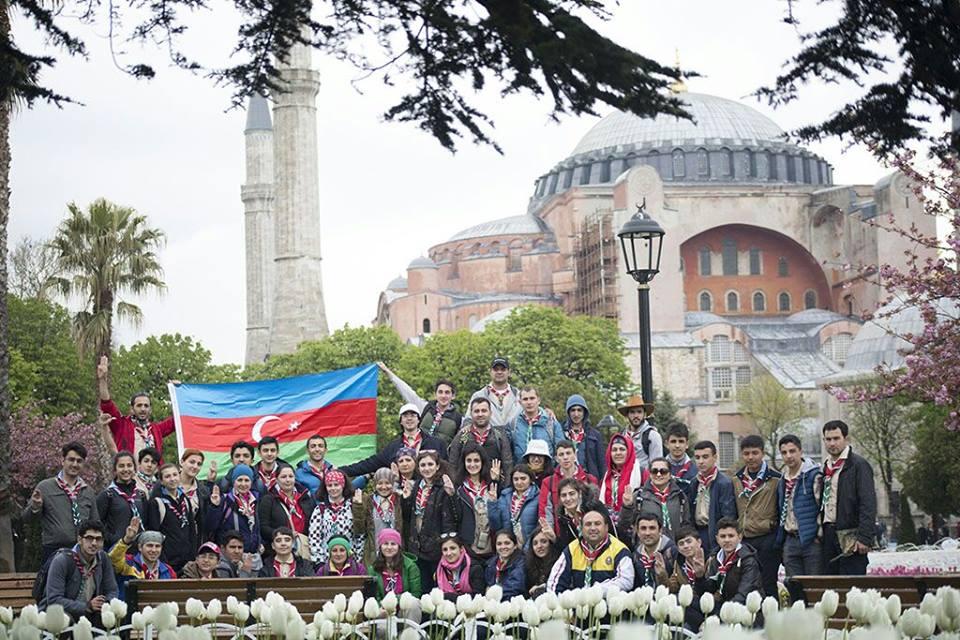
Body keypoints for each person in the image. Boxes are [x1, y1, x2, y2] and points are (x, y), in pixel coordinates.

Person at [25, 442, 99, 563]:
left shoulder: (88, 491)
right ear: (62, 461)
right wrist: (35, 507)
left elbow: (95, 522)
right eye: (71, 460)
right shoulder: (45, 487)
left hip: (82, 551)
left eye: (79, 461)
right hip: (54, 549)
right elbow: (27, 519)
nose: (75, 464)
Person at [820, 420, 877, 575]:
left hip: (851, 534)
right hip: (828, 533)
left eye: (836, 438)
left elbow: (868, 503)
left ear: (846, 439)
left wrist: (865, 537)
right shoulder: (825, 467)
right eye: (828, 439)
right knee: (830, 586)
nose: (832, 443)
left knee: (852, 586)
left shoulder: (858, 465)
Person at [341, 404, 447, 482]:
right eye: (405, 416)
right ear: (401, 421)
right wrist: (341, 471)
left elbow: (447, 469)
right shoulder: (393, 447)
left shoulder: (436, 443)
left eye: (413, 415)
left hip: (430, 495)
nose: (409, 418)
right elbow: (369, 464)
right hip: (402, 496)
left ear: (419, 420)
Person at [732, 434, 782, 600]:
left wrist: (776, 536)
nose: (750, 457)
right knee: (747, 582)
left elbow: (781, 508)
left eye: (755, 453)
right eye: (746, 453)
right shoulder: (736, 479)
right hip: (745, 538)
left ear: (763, 453)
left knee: (768, 582)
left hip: (767, 537)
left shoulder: (775, 479)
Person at [97, 355, 175, 458]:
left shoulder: (156, 429)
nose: (143, 409)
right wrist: (102, 380)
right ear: (132, 409)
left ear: (150, 410)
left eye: (146, 406)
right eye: (139, 405)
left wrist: (179, 392)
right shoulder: (122, 425)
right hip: (129, 472)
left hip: (153, 473)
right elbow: (107, 404)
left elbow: (177, 420)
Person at [39, 520, 118, 621]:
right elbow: (54, 600)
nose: (94, 543)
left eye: (98, 539)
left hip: (90, 614)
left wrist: (104, 603)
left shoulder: (103, 559)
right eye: (89, 538)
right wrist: (86, 606)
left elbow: (112, 590)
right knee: (66, 620)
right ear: (80, 539)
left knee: (113, 617)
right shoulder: (62, 560)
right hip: (62, 614)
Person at [547, 503, 635, 593]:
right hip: (578, 603)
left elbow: (626, 581)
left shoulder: (619, 550)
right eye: (588, 524)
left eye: (597, 524)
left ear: (606, 527)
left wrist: (594, 592)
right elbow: (554, 584)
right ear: (581, 528)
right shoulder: (571, 549)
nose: (593, 528)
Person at [401, 450, 456, 592]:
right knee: (422, 587)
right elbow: (408, 517)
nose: (427, 468)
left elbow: (450, 518)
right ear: (418, 468)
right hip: (417, 547)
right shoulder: (416, 486)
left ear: (437, 466)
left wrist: (451, 496)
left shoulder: (442, 487)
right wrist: (406, 500)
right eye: (423, 465)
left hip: (436, 547)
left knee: (438, 588)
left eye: (430, 464)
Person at [376, 363, 463, 447]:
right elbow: (407, 391)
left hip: (440, 458)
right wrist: (388, 372)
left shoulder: (458, 418)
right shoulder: (426, 407)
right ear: (435, 394)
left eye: (447, 393)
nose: (443, 396)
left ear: (453, 396)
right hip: (419, 454)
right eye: (440, 392)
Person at [776, 434, 823, 578]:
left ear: (800, 451)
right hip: (790, 539)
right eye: (784, 453)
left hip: (811, 540)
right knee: (794, 586)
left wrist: (819, 535)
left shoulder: (814, 476)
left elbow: (821, 507)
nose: (788, 456)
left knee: (813, 586)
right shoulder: (782, 479)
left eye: (792, 451)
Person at [206, 464, 263, 570]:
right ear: (233, 481)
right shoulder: (225, 500)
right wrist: (214, 506)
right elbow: (210, 526)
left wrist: (259, 543)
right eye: (239, 480)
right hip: (230, 557)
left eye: (247, 480)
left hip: (251, 557)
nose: (243, 484)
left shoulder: (255, 500)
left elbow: (257, 527)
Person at [146, 462, 200, 573]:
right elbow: (154, 533)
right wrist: (163, 561)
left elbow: (192, 532)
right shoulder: (157, 503)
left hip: (187, 561)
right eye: (167, 476)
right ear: (161, 481)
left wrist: (193, 556)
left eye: (175, 475)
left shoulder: (185, 499)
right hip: (167, 562)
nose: (172, 479)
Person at [621, 457, 691, 542]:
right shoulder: (639, 496)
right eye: (654, 471)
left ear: (669, 475)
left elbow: (687, 525)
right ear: (650, 474)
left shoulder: (680, 496)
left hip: (675, 548)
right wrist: (627, 506)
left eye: (663, 471)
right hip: (647, 548)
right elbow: (624, 525)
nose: (658, 475)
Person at [539, 440, 599, 535]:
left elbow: (597, 509)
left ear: (575, 455)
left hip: (588, 533)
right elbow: (545, 511)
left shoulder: (590, 480)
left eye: (568, 453)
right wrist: (550, 533)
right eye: (561, 454)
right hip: (561, 534)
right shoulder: (548, 482)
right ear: (556, 458)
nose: (565, 457)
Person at [698, 517, 763, 605]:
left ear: (739, 537)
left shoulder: (749, 560)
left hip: (747, 609)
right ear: (717, 539)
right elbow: (709, 590)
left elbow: (744, 594)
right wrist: (699, 577)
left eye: (731, 536)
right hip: (724, 604)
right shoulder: (715, 558)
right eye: (723, 536)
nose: (727, 540)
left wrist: (725, 610)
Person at [688, 440, 737, 556]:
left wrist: (723, 538)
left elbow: (728, 514)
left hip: (715, 532)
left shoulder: (724, 483)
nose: (701, 461)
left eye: (705, 457)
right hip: (698, 532)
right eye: (697, 457)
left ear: (714, 457)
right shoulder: (694, 482)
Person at [448, 397, 514, 482]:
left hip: (494, 487)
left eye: (484, 411)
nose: (480, 414)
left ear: (490, 413)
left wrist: (505, 491)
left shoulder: (499, 436)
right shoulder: (463, 435)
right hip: (466, 488)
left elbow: (508, 465)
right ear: (471, 414)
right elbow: (453, 463)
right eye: (476, 411)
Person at [452, 443, 499, 561]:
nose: (472, 464)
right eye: (469, 460)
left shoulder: (492, 485)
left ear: (482, 462)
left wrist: (496, 481)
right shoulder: (458, 488)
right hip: (468, 547)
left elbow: (499, 516)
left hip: (491, 546)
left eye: (476, 460)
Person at [107, 518, 176, 598]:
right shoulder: (128, 562)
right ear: (140, 547)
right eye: (149, 545)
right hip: (129, 609)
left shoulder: (168, 571)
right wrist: (127, 540)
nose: (154, 550)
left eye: (157, 546)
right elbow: (113, 558)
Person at [258, 464, 315, 559]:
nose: (288, 480)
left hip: (303, 548)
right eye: (283, 477)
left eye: (291, 476)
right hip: (278, 552)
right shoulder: (268, 499)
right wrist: (284, 535)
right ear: (276, 479)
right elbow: (263, 528)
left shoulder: (305, 497)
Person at [353, 467, 404, 566]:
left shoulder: (399, 500)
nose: (384, 487)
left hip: (395, 553)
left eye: (387, 483)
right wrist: (358, 507)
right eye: (380, 483)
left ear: (393, 484)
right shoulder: (368, 501)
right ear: (375, 484)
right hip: (374, 553)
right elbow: (359, 530)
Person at [97, 450, 145, 550]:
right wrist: (111, 538)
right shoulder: (107, 495)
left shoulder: (141, 495)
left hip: (139, 550)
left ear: (134, 469)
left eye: (129, 465)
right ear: (115, 470)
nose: (126, 469)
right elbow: (98, 523)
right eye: (121, 466)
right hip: (115, 548)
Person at [598, 434, 646, 533]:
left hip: (634, 527)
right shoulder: (607, 476)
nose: (618, 453)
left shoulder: (641, 473)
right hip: (610, 529)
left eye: (622, 449)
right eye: (614, 450)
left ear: (629, 452)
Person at [308, 469, 356, 566]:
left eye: (336, 485)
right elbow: (314, 537)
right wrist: (319, 561)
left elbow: (359, 535)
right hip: (326, 561)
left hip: (350, 561)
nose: (333, 488)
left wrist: (356, 559)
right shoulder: (320, 509)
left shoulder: (353, 507)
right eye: (330, 485)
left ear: (343, 486)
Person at [666, 525, 709, 631]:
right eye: (681, 544)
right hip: (689, 609)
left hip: (707, 604)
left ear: (699, 542)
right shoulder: (678, 563)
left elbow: (715, 591)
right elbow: (673, 588)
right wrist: (662, 575)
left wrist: (700, 575)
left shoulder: (711, 560)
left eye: (689, 541)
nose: (685, 546)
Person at [487, 463, 539, 548]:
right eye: (516, 479)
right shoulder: (505, 496)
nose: (519, 482)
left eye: (523, 478)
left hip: (530, 548)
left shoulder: (537, 497)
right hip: (509, 548)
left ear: (531, 479)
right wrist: (493, 503)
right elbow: (495, 525)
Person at [508, 386, 565, 462]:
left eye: (532, 398)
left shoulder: (551, 422)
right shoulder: (513, 423)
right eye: (525, 399)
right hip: (522, 471)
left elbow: (561, 449)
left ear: (538, 400)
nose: (529, 402)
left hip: (547, 471)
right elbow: (508, 452)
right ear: (520, 402)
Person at [369, 528, 422, 599]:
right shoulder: (373, 569)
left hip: (406, 605)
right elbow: (374, 596)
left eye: (393, 544)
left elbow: (415, 594)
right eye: (385, 544)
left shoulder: (410, 566)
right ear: (380, 546)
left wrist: (392, 601)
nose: (389, 547)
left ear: (399, 546)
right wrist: (380, 606)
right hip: (383, 608)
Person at [469, 357, 522, 429]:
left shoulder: (520, 396)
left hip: (515, 439)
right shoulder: (478, 395)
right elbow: (468, 420)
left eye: (503, 369)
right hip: (488, 439)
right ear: (490, 372)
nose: (499, 372)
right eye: (496, 369)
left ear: (509, 372)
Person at [563, 394, 605, 481]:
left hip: (589, 480)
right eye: (573, 410)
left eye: (579, 410)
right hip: (567, 479)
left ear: (584, 412)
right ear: (568, 412)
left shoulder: (595, 435)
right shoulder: (561, 432)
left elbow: (602, 463)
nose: (576, 414)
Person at [631, 513, 678, 588]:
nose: (647, 533)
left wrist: (663, 575)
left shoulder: (673, 552)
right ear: (638, 532)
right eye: (643, 528)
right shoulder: (635, 556)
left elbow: (678, 587)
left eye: (652, 528)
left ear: (660, 531)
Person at [435, 533, 486, 600]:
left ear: (461, 549)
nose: (449, 553)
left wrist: (449, 597)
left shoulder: (475, 568)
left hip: (470, 608)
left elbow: (478, 596)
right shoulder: (440, 569)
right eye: (445, 549)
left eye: (452, 548)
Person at [618, 395, 662, 469]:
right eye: (632, 412)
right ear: (627, 415)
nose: (636, 415)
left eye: (639, 412)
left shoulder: (653, 436)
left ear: (644, 414)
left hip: (644, 479)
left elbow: (656, 466)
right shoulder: (622, 436)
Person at [486, 529, 526, 599]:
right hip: (494, 603)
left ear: (515, 545)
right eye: (499, 544)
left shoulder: (521, 562)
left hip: (514, 603)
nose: (503, 547)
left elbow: (515, 587)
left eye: (507, 543)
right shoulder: (490, 564)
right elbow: (488, 585)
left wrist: (492, 594)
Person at [179, 449, 211, 529]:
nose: (195, 466)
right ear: (182, 462)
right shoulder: (165, 485)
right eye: (192, 462)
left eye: (199, 464)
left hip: (194, 538)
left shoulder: (204, 491)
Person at [524, 526, 560, 598]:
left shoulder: (559, 561)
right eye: (535, 543)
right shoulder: (529, 564)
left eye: (543, 541)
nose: (539, 546)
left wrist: (543, 587)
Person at [664, 423, 698, 491]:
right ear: (667, 444)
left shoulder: (697, 470)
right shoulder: (658, 469)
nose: (677, 445)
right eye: (673, 441)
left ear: (687, 444)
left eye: (681, 441)